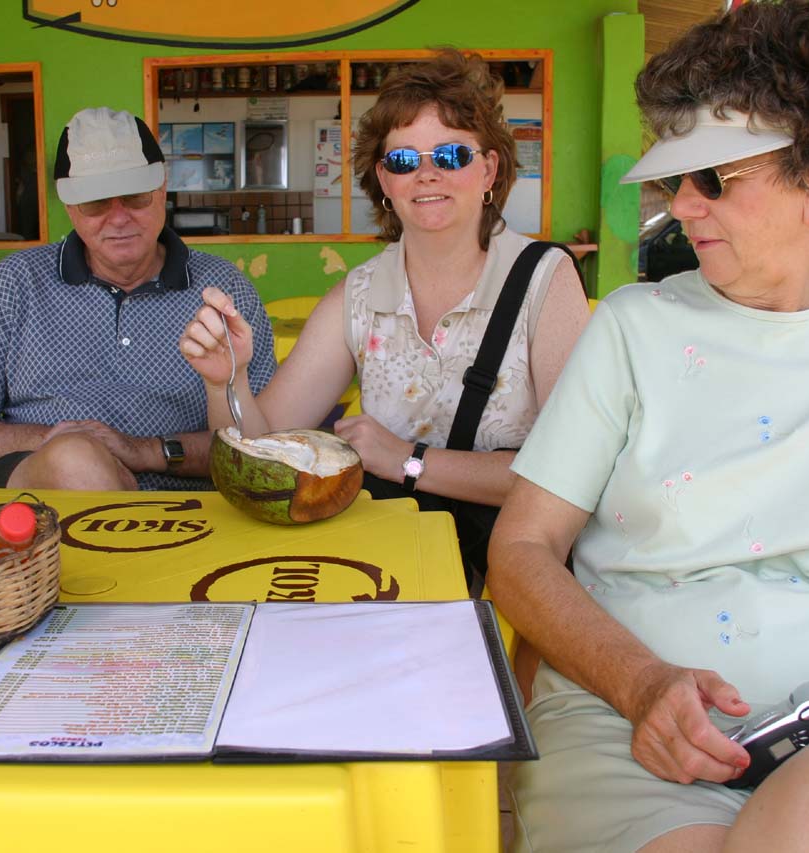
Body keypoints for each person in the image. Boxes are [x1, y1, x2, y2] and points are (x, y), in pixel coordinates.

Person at [488, 1, 809, 849]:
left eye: (714, 178)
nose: (681, 207)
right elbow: (522, 548)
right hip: (630, 721)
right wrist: (640, 683)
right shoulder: (632, 327)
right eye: (672, 180)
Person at [179, 49, 590, 588]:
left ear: (489, 169)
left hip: (508, 580)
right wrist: (224, 380)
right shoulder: (361, 293)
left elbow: (572, 476)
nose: (426, 175)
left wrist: (407, 460)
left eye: (451, 155)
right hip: (385, 575)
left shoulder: (545, 278)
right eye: (403, 161)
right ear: (384, 181)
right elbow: (262, 448)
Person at [0, 107, 275, 491]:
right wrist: (63, 442)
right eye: (95, 203)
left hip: (189, 514)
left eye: (135, 197)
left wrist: (145, 450)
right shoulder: (17, 283)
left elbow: (264, 441)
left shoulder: (222, 289)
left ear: (162, 190)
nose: (118, 217)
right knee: (75, 461)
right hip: (42, 510)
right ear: (70, 208)